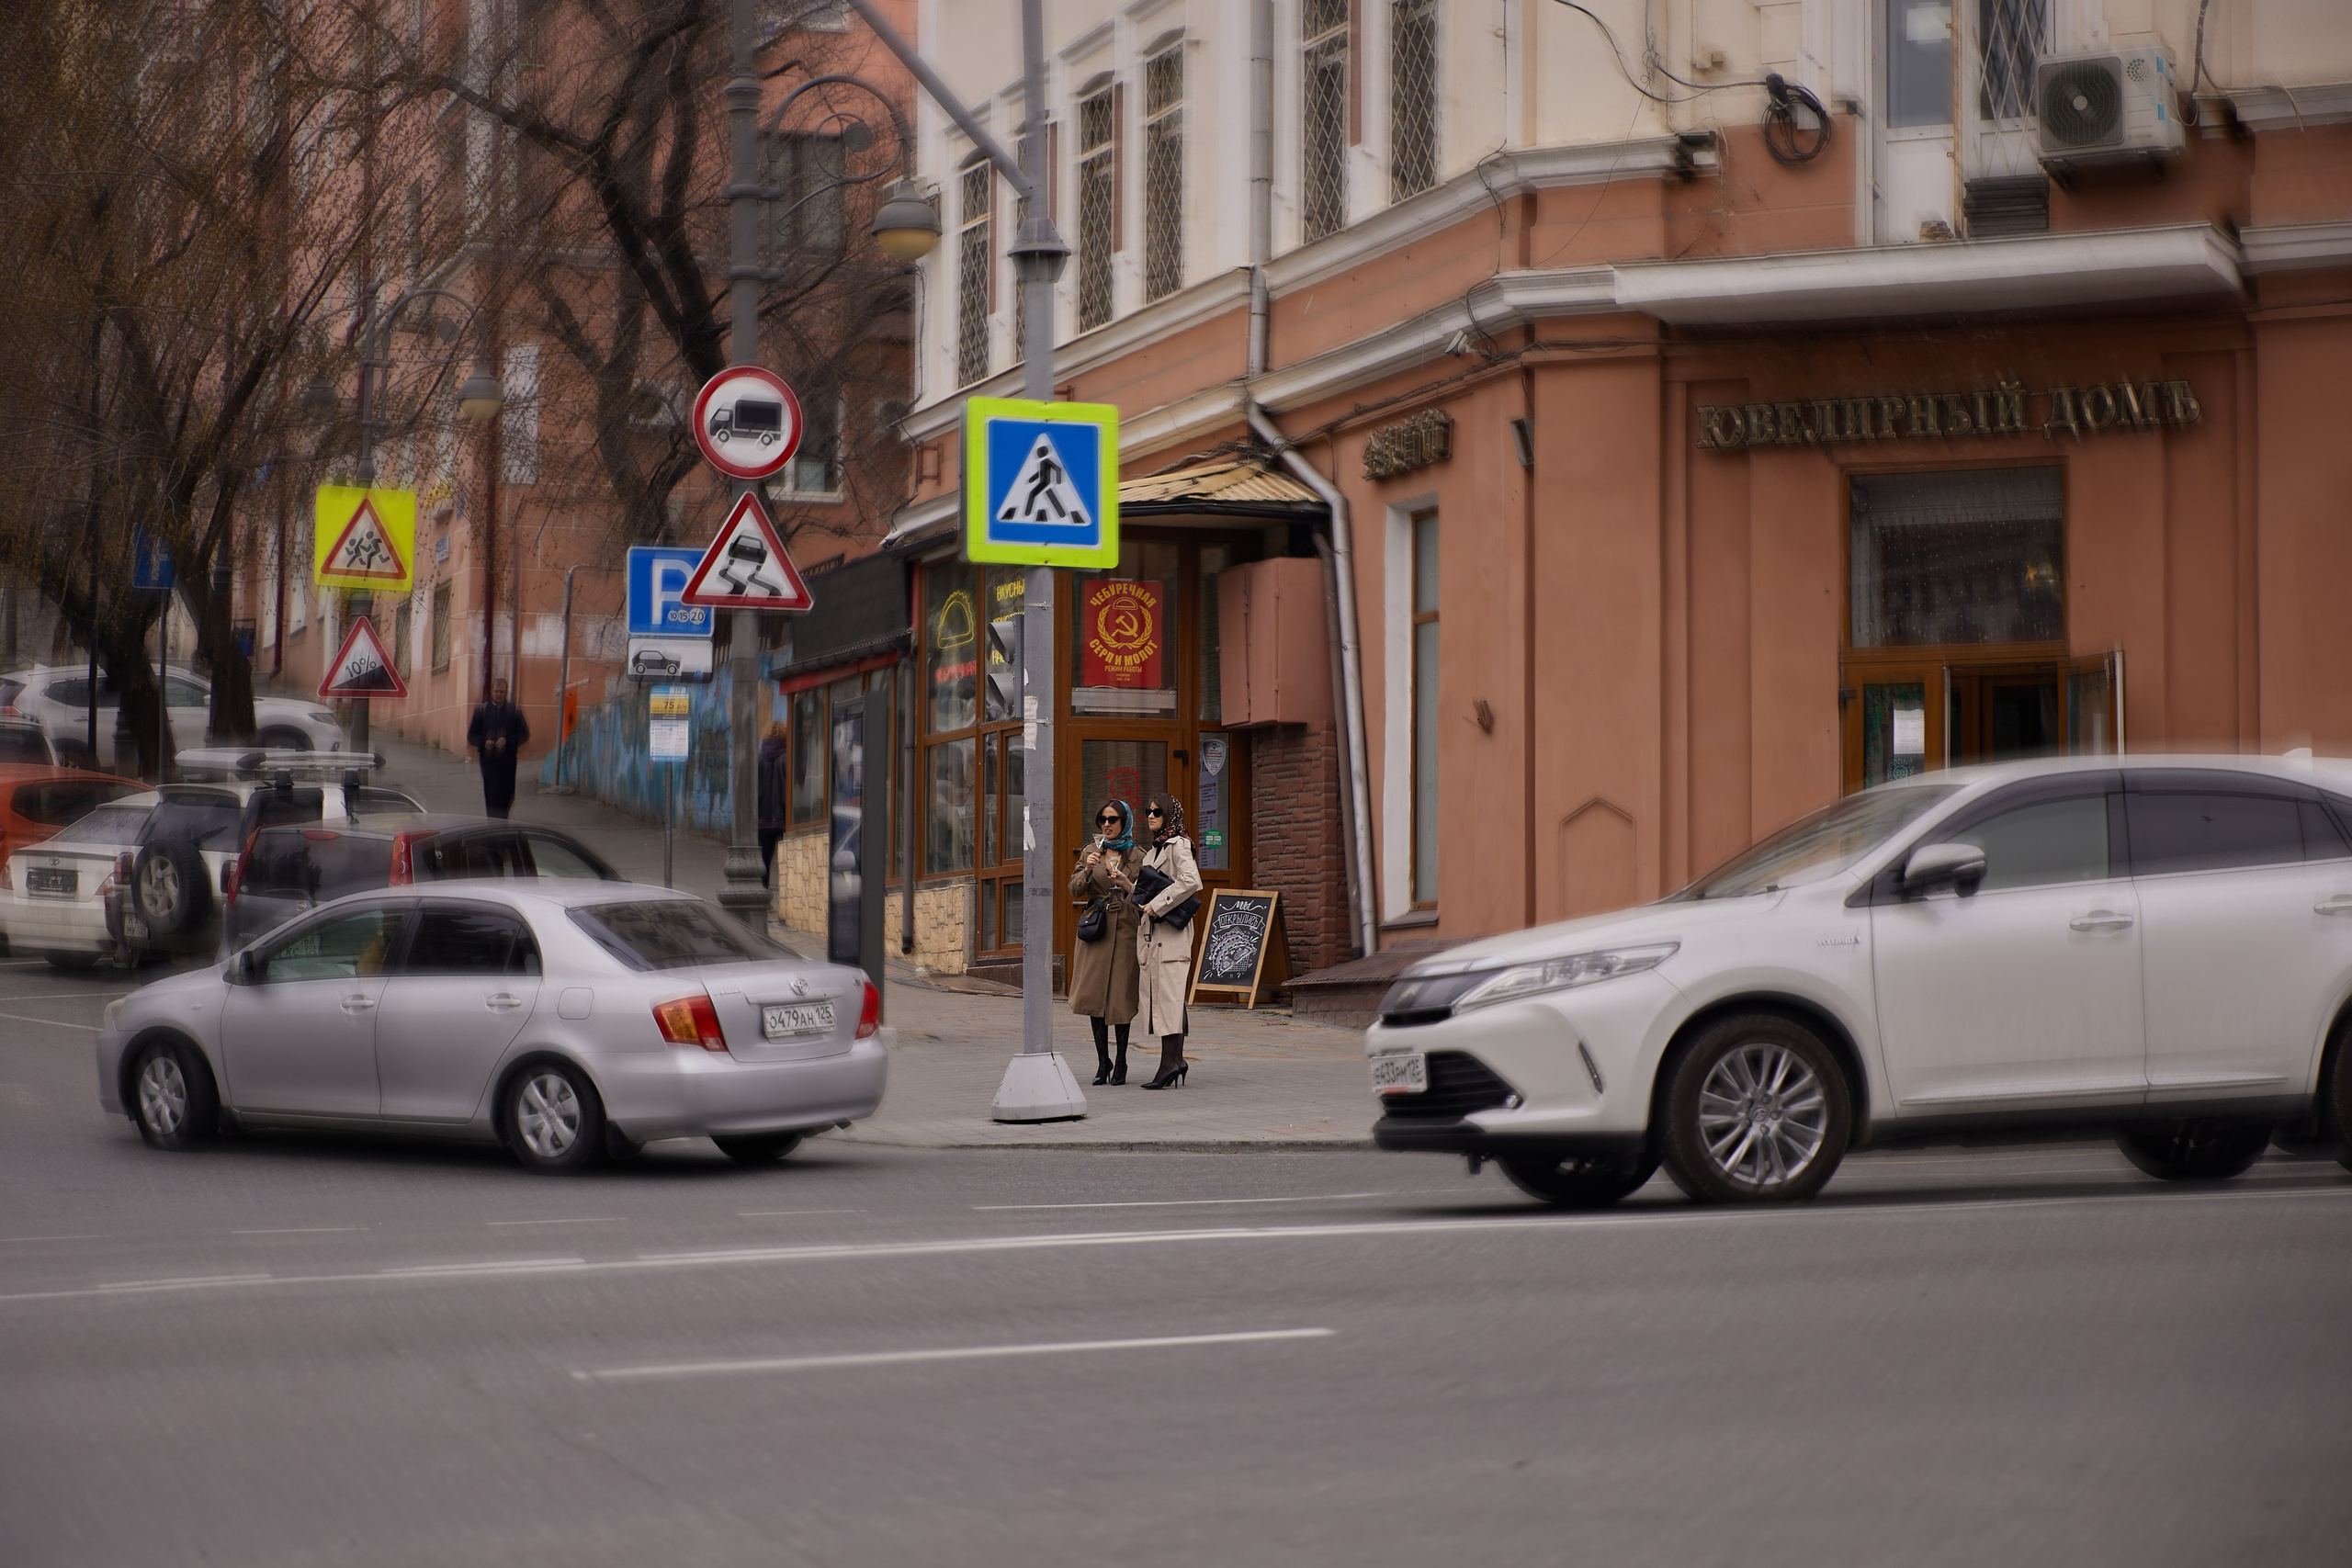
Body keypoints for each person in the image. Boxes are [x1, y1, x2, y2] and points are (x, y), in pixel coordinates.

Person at [1068, 797, 1144, 1085]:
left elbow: (1146, 896)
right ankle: (1103, 1062)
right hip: (1097, 929)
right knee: (1094, 997)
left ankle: (1121, 1060)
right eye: (1103, 820)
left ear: (1124, 822)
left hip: (1125, 929)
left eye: (1113, 819)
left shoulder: (1138, 854)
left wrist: (1126, 884)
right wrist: (1087, 869)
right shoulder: (1091, 850)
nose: (1107, 825)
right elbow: (1074, 889)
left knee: (1122, 998)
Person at [1133, 791, 1204, 1089]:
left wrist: (1158, 904)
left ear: (1169, 816)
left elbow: (1191, 880)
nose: (1150, 816)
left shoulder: (1178, 844)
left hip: (1172, 935)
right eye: (1148, 811)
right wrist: (1127, 885)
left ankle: (1169, 1064)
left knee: (1170, 1000)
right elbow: (1147, 889)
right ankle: (1176, 1061)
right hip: (1156, 936)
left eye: (1157, 812)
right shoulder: (1154, 850)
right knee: (1167, 1001)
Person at [466, 677, 530, 819]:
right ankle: (493, 823)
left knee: (508, 793)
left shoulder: (514, 711)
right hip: (489, 761)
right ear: (492, 692)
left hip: (508, 760)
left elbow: (524, 734)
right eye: (496, 691)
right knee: (492, 792)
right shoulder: (481, 711)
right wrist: (484, 742)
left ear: (506, 692)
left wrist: (508, 740)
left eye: (502, 692)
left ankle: (503, 821)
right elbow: (471, 736)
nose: (499, 694)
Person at [757, 720, 789, 888]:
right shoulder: (787, 758)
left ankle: (763, 893)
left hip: (763, 819)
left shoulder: (760, 759)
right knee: (787, 859)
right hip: (783, 818)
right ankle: (786, 893)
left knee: (764, 858)